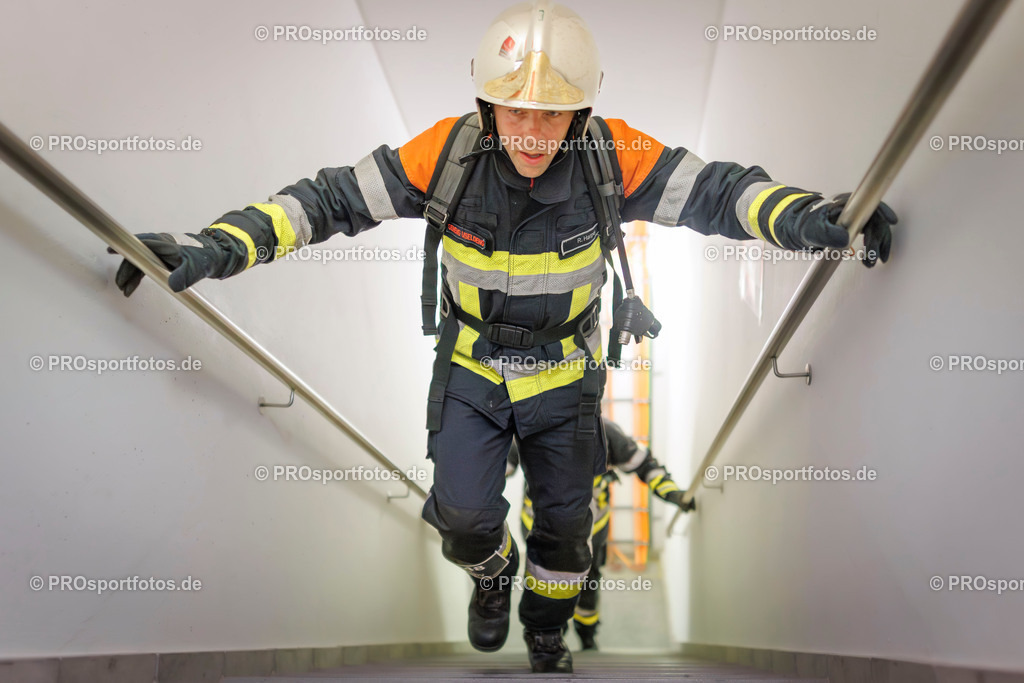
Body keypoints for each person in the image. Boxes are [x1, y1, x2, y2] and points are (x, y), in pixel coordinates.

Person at [107, 1, 896, 673]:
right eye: (515, 110)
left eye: (552, 112)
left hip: (566, 376)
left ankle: (546, 628)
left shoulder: (611, 154)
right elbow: (327, 201)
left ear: (580, 110)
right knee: (462, 517)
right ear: (486, 103)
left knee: (566, 532)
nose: (531, 129)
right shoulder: (444, 154)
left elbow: (719, 193)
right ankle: (492, 576)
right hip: (472, 366)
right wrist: (213, 245)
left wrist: (816, 219)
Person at [509, 418, 692, 651]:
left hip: (592, 527)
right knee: (544, 579)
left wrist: (672, 493)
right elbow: (499, 465)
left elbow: (645, 465)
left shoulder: (606, 433)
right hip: (540, 524)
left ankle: (587, 635)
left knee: (587, 580)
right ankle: (550, 635)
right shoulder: (532, 426)